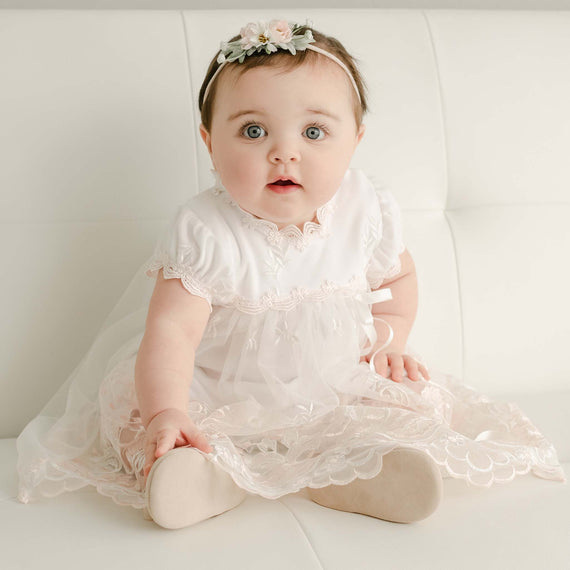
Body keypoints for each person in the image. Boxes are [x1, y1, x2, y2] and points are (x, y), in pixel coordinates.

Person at [16, 20, 566, 530]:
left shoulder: (364, 208)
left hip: (331, 386)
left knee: (383, 415)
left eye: (314, 132)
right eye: (253, 131)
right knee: (152, 431)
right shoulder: (204, 229)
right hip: (216, 392)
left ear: (355, 141)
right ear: (209, 143)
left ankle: (365, 472)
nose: (285, 153)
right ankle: (199, 475)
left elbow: (397, 281)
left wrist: (391, 341)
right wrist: (167, 410)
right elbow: (172, 333)